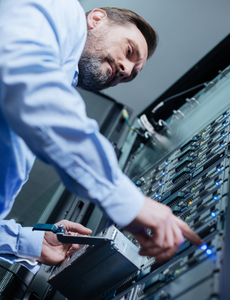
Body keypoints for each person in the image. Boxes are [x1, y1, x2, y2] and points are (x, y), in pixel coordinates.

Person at [0, 0, 203, 274]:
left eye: (130, 76)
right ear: (96, 19)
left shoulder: (53, 91)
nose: (126, 70)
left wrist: (32, 242)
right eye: (129, 51)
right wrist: (126, 200)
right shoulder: (58, 9)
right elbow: (30, 83)